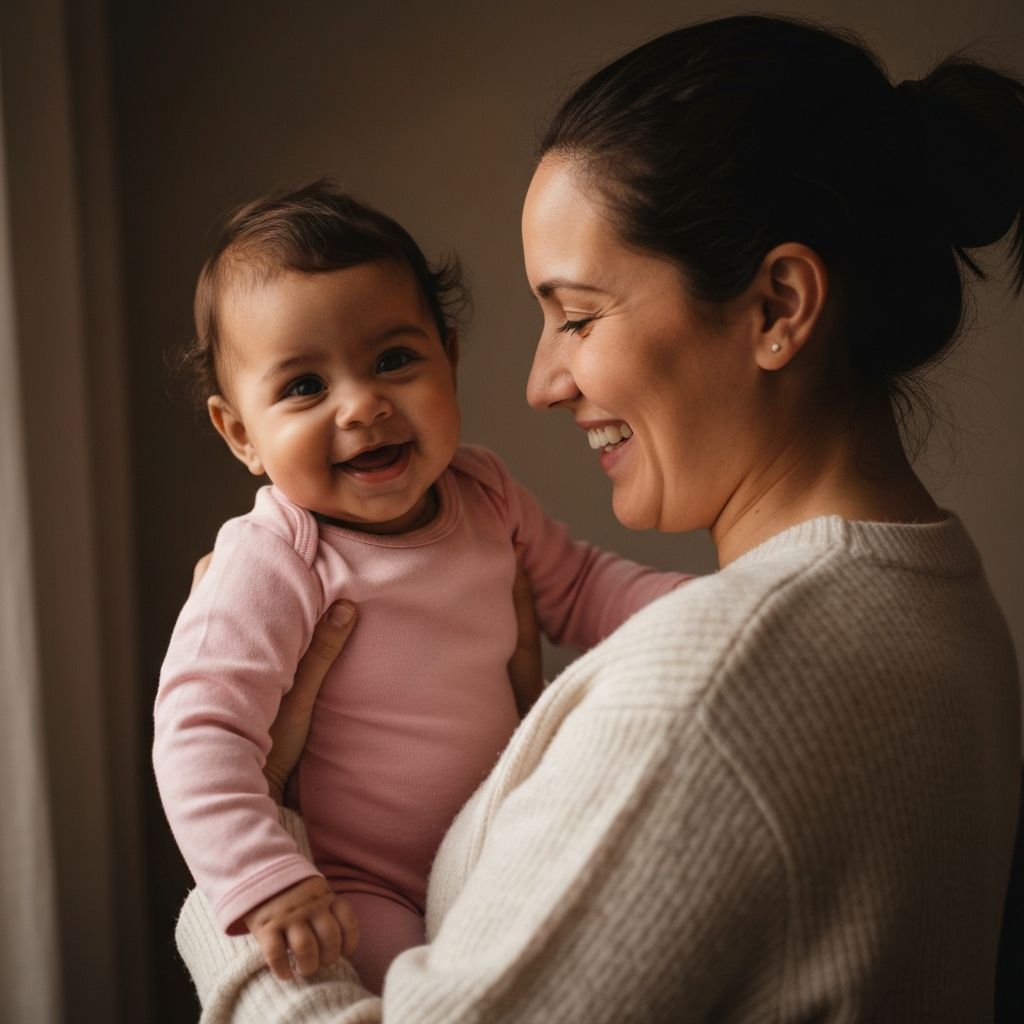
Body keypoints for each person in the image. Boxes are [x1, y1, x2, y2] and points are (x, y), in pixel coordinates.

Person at [173, 13, 1022, 1022]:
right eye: (304, 385)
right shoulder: (932, 595)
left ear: (776, 307)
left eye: (576, 315)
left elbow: (603, 603)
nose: (538, 382)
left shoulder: (703, 689)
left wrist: (224, 912)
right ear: (239, 427)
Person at [152, 182, 689, 994]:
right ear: (241, 435)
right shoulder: (274, 557)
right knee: (417, 994)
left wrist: (701, 608)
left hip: (500, 842)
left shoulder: (487, 493)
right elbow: (199, 730)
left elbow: (580, 587)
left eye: (394, 360)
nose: (364, 404)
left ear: (450, 356)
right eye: (304, 386)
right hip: (361, 886)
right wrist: (265, 876)